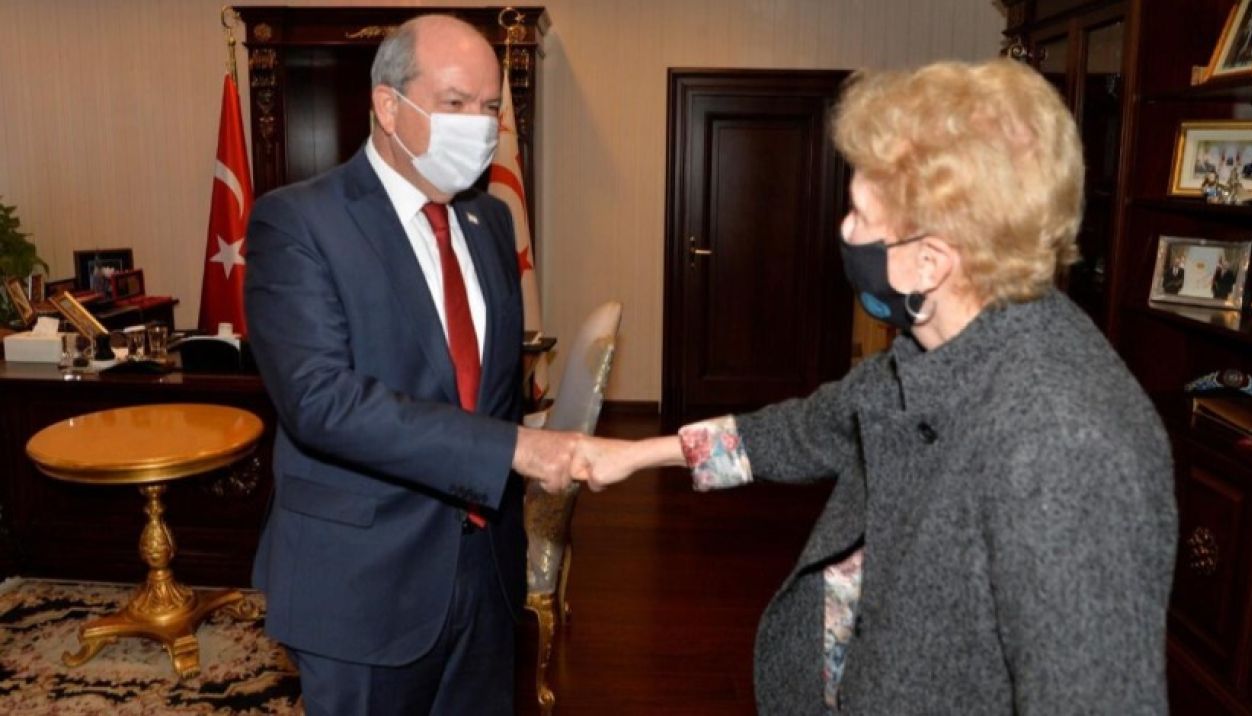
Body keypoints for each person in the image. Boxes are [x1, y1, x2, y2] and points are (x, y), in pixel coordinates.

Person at [571, 59, 1177, 714]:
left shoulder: (1067, 445)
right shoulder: (944, 345)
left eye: (860, 215)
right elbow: (805, 430)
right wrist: (634, 455)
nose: (844, 231)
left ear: (930, 261)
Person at [244, 15, 580, 715]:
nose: (479, 126)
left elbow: (490, 392)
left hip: (485, 574)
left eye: (489, 107)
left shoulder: (490, 224)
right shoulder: (299, 222)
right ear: (388, 106)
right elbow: (321, 402)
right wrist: (514, 449)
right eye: (455, 103)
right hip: (362, 582)